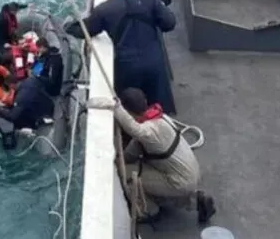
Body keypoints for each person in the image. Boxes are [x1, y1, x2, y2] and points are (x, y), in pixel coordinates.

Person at [88, 89, 216, 224]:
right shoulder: (161, 118)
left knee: (126, 174)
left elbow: (133, 129)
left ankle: (147, 210)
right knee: (149, 179)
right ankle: (196, 201)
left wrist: (117, 108)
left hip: (180, 180)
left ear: (129, 113)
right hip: (190, 172)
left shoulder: (148, 131)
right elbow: (131, 153)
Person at [64, 0, 177, 114]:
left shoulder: (104, 10)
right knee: (158, 109)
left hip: (127, 67)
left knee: (131, 112)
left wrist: (68, 25)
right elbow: (169, 23)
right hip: (154, 61)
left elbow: (85, 30)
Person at [0, 75, 55, 149]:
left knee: (10, 118)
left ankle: (11, 144)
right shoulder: (31, 79)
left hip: (41, 115)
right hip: (49, 105)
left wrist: (0, 111)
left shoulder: (21, 98)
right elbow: (47, 82)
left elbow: (13, 116)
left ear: (11, 86)